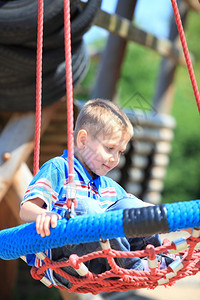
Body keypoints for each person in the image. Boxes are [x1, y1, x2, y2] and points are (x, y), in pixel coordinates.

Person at [20, 98, 172, 288]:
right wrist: (45, 214)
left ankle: (158, 257)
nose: (115, 159)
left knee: (129, 207)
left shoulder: (108, 186)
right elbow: (26, 209)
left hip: (103, 264)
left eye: (120, 152)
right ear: (83, 140)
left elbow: (140, 209)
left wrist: (175, 220)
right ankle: (135, 268)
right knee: (85, 208)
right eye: (110, 148)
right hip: (66, 260)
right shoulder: (58, 168)